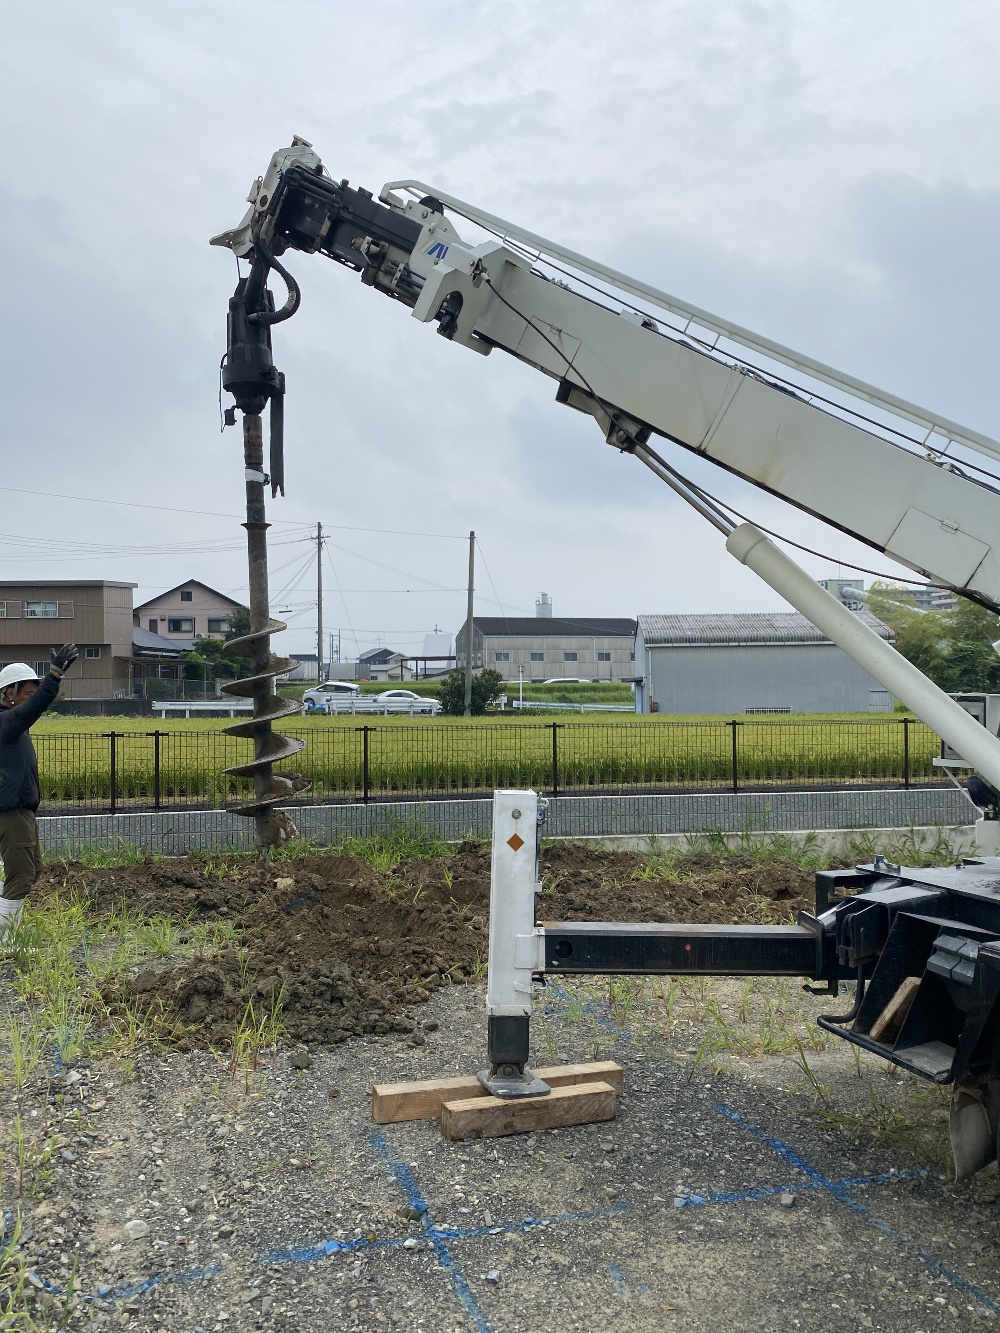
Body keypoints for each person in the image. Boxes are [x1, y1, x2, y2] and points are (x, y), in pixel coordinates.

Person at [0, 645, 78, 941]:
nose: (32, 700)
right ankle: (6, 943)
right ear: (10, 693)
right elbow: (35, 708)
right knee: (20, 877)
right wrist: (54, 675)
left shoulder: (12, 725)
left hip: (21, 810)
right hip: (11, 812)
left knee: (32, 870)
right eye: (27, 692)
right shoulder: (7, 722)